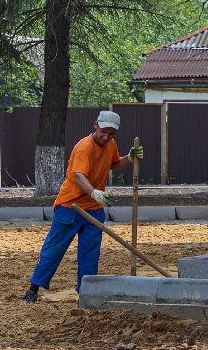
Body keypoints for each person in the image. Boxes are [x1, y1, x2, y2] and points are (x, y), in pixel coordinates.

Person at [22, 110, 143, 302]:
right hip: (69, 207)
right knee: (53, 250)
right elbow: (79, 176)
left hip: (94, 210)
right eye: (104, 131)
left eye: (111, 134)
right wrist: (94, 192)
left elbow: (114, 164)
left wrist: (129, 158)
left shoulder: (110, 144)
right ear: (95, 125)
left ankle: (85, 292)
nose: (106, 136)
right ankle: (33, 289)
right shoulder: (83, 147)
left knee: (90, 254)